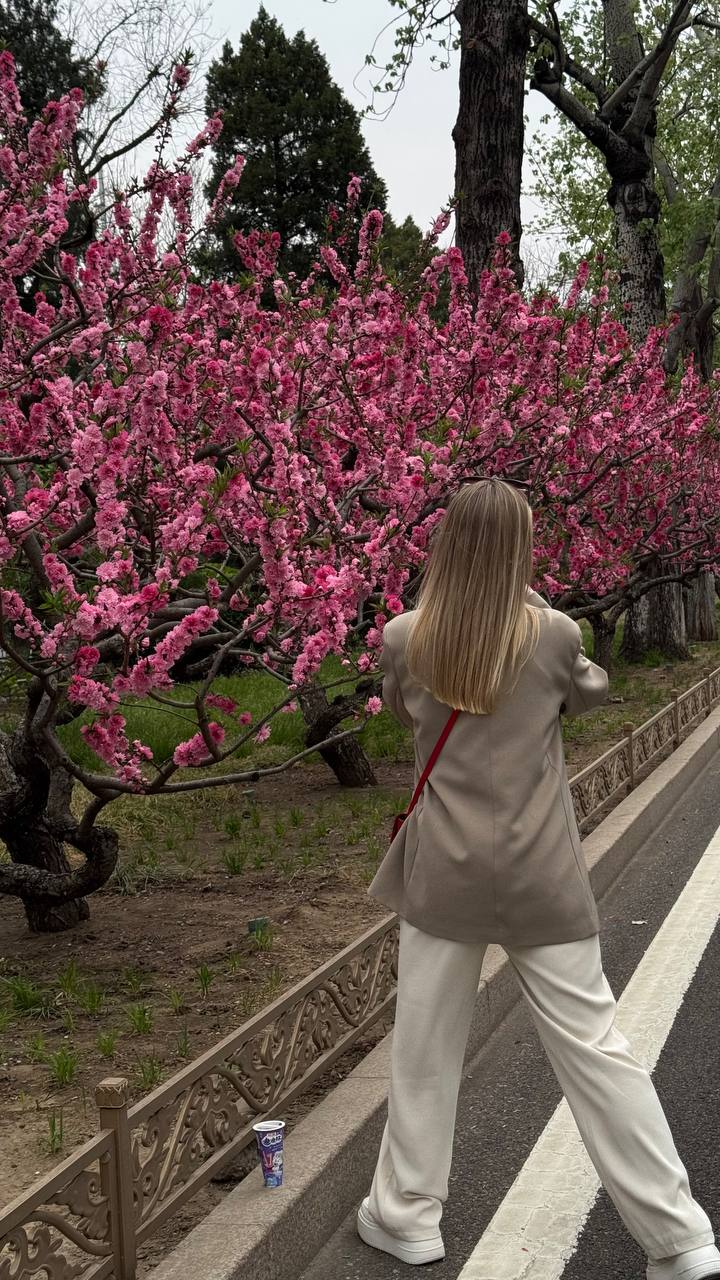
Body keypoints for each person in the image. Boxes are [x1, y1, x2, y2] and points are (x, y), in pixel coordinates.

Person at [356, 479, 719, 1279]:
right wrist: (537, 607)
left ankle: (409, 1217)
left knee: (424, 1049)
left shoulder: (405, 636)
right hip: (541, 874)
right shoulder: (553, 633)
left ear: (447, 546)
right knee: (597, 1048)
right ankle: (678, 1236)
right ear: (521, 551)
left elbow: (401, 710)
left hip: (444, 875)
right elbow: (591, 692)